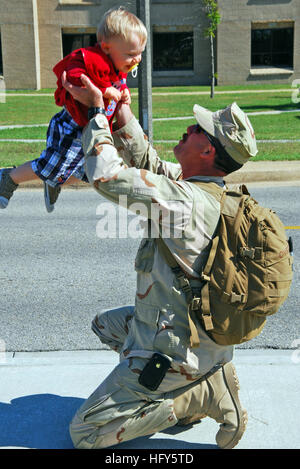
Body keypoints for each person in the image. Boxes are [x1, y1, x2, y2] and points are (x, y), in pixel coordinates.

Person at [62, 73, 258, 450]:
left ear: (208, 152)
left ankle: (194, 396)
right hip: (199, 334)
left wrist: (95, 114)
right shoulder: (206, 189)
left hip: (179, 347)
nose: (188, 127)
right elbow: (149, 163)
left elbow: (106, 176)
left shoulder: (183, 201)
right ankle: (198, 377)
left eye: (198, 129)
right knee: (106, 325)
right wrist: (122, 116)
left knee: (84, 435)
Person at [0, 7, 147, 212]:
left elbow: (117, 82)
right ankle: (8, 178)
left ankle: (54, 182)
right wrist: (104, 91)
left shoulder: (117, 65)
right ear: (105, 47)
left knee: (90, 171)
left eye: (140, 53)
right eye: (131, 54)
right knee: (49, 165)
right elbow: (73, 74)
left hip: (90, 129)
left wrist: (124, 92)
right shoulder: (91, 58)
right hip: (72, 126)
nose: (137, 59)